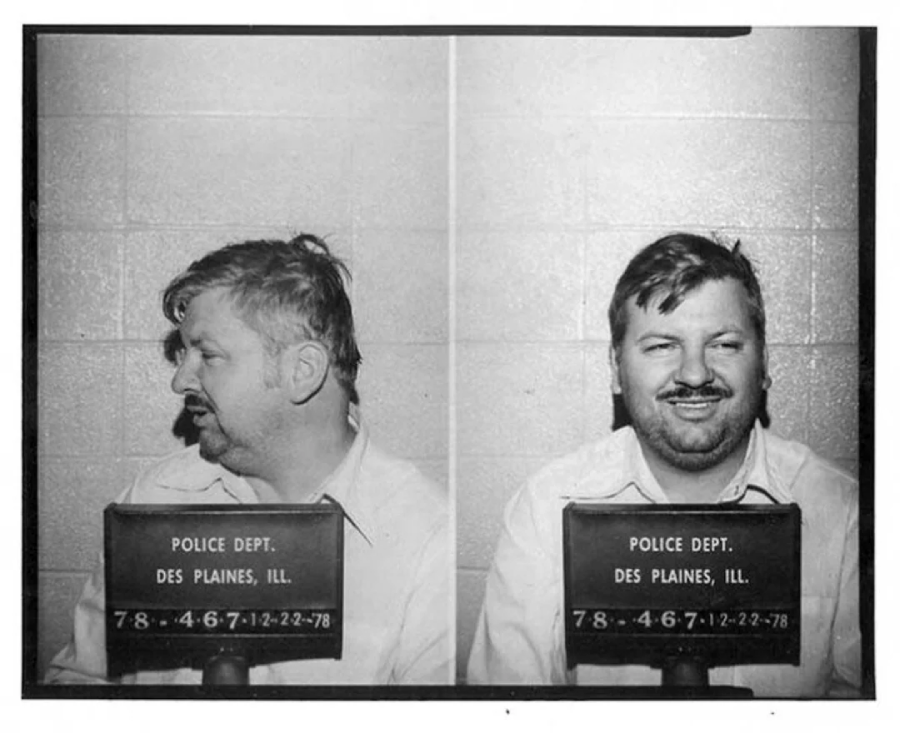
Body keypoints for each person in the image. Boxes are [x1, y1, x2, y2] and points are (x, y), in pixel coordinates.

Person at [467, 233, 860, 697]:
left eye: (725, 345)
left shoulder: (841, 511)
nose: (695, 374)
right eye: (661, 346)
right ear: (615, 370)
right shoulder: (545, 509)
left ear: (765, 363)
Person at [46, 234, 450, 685]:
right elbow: (78, 685)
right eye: (183, 355)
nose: (180, 381)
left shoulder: (426, 535)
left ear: (302, 372)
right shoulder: (156, 496)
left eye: (209, 355)